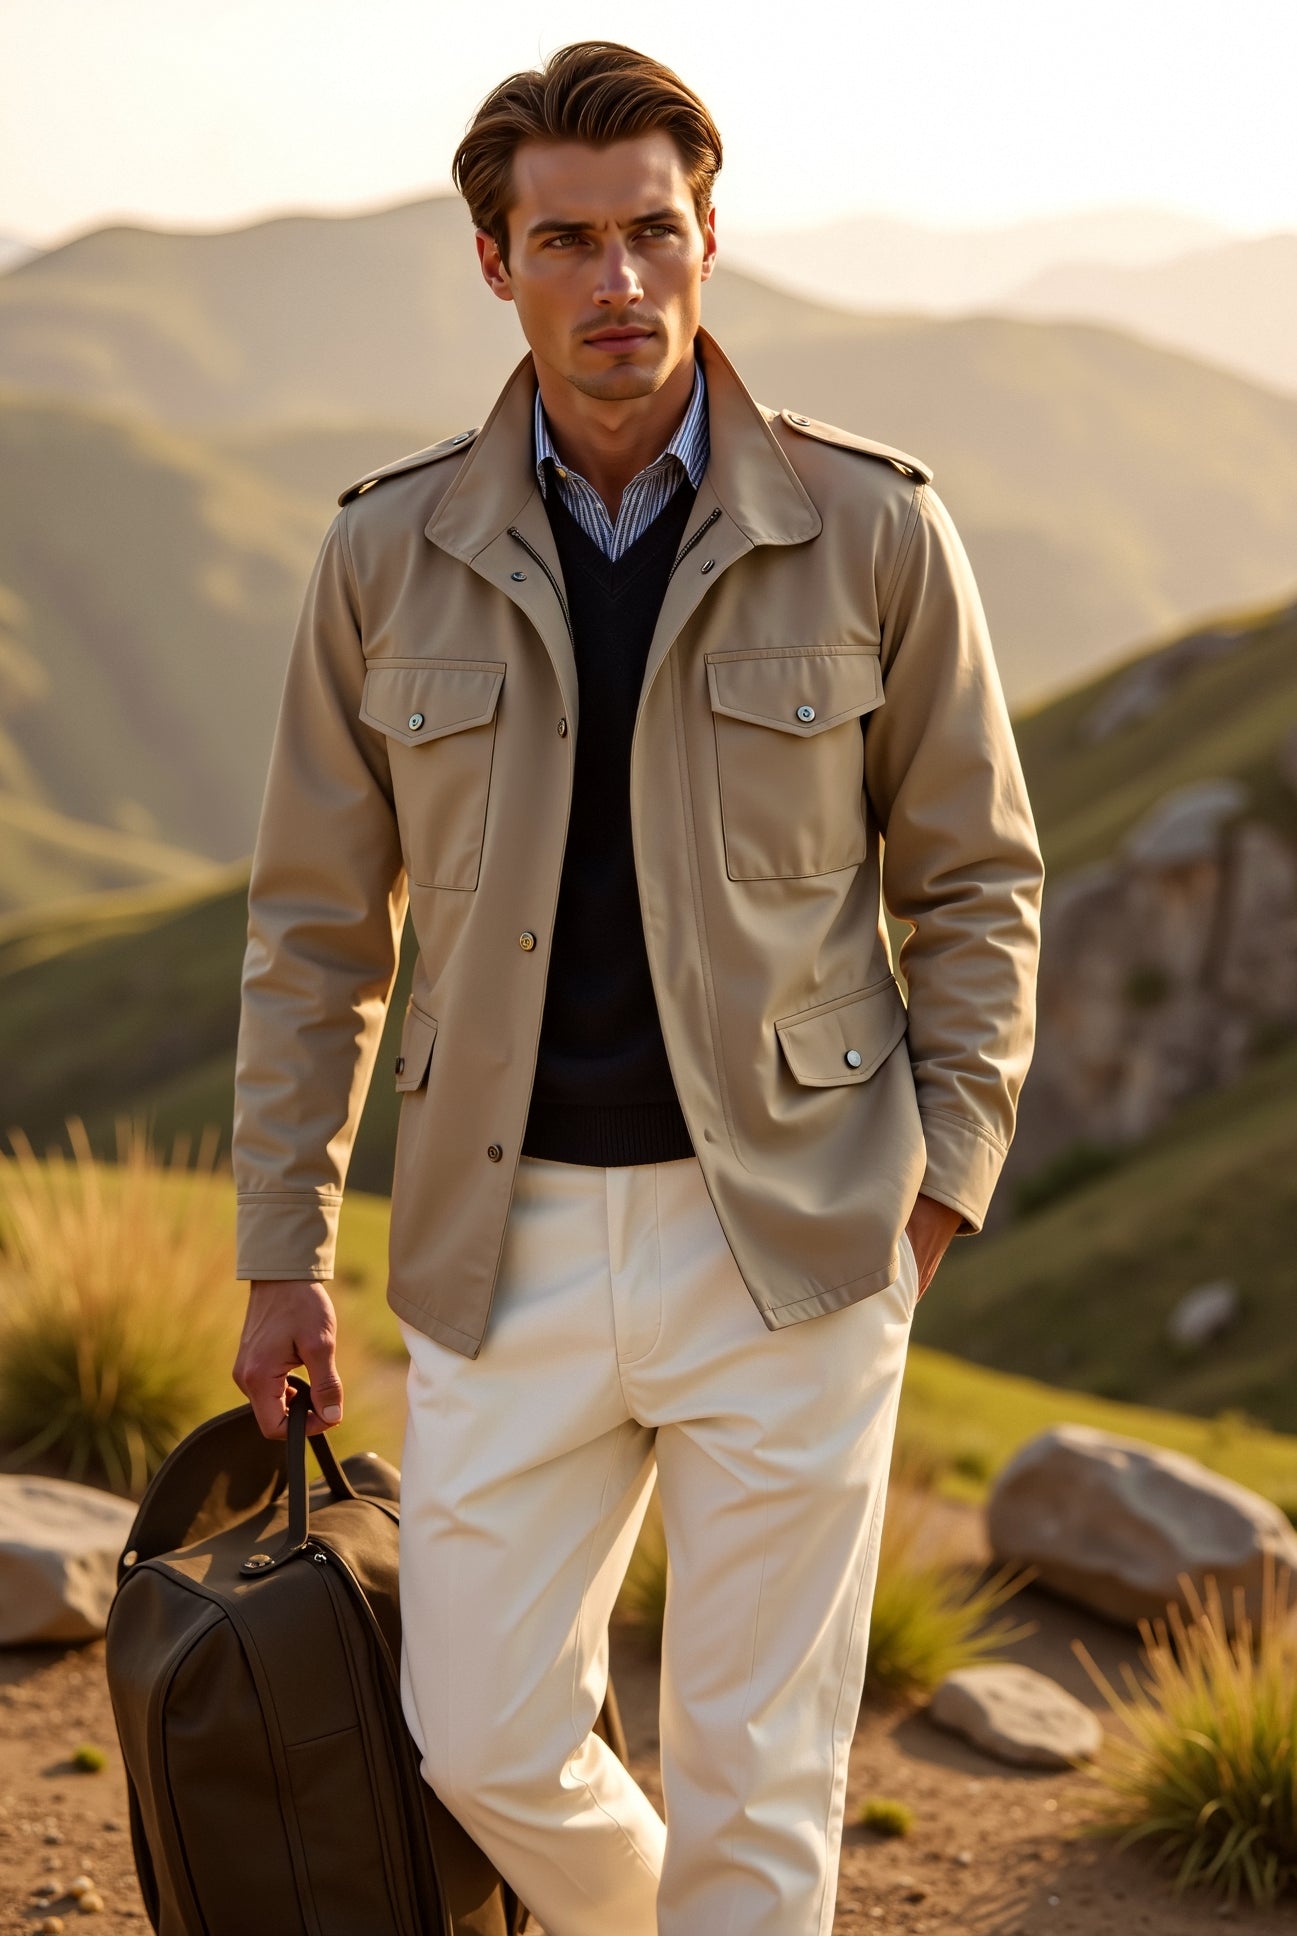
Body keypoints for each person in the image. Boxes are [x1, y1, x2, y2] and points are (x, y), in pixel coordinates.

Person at [231, 39, 1044, 1936]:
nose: (617, 281)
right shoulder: (381, 553)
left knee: (766, 1773)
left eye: (653, 234)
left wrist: (939, 1191)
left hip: (799, 1229)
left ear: (707, 240)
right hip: (493, 1243)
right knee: (481, 1733)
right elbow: (314, 931)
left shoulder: (872, 530)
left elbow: (980, 881)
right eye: (567, 239)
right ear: (494, 262)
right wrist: (283, 1242)